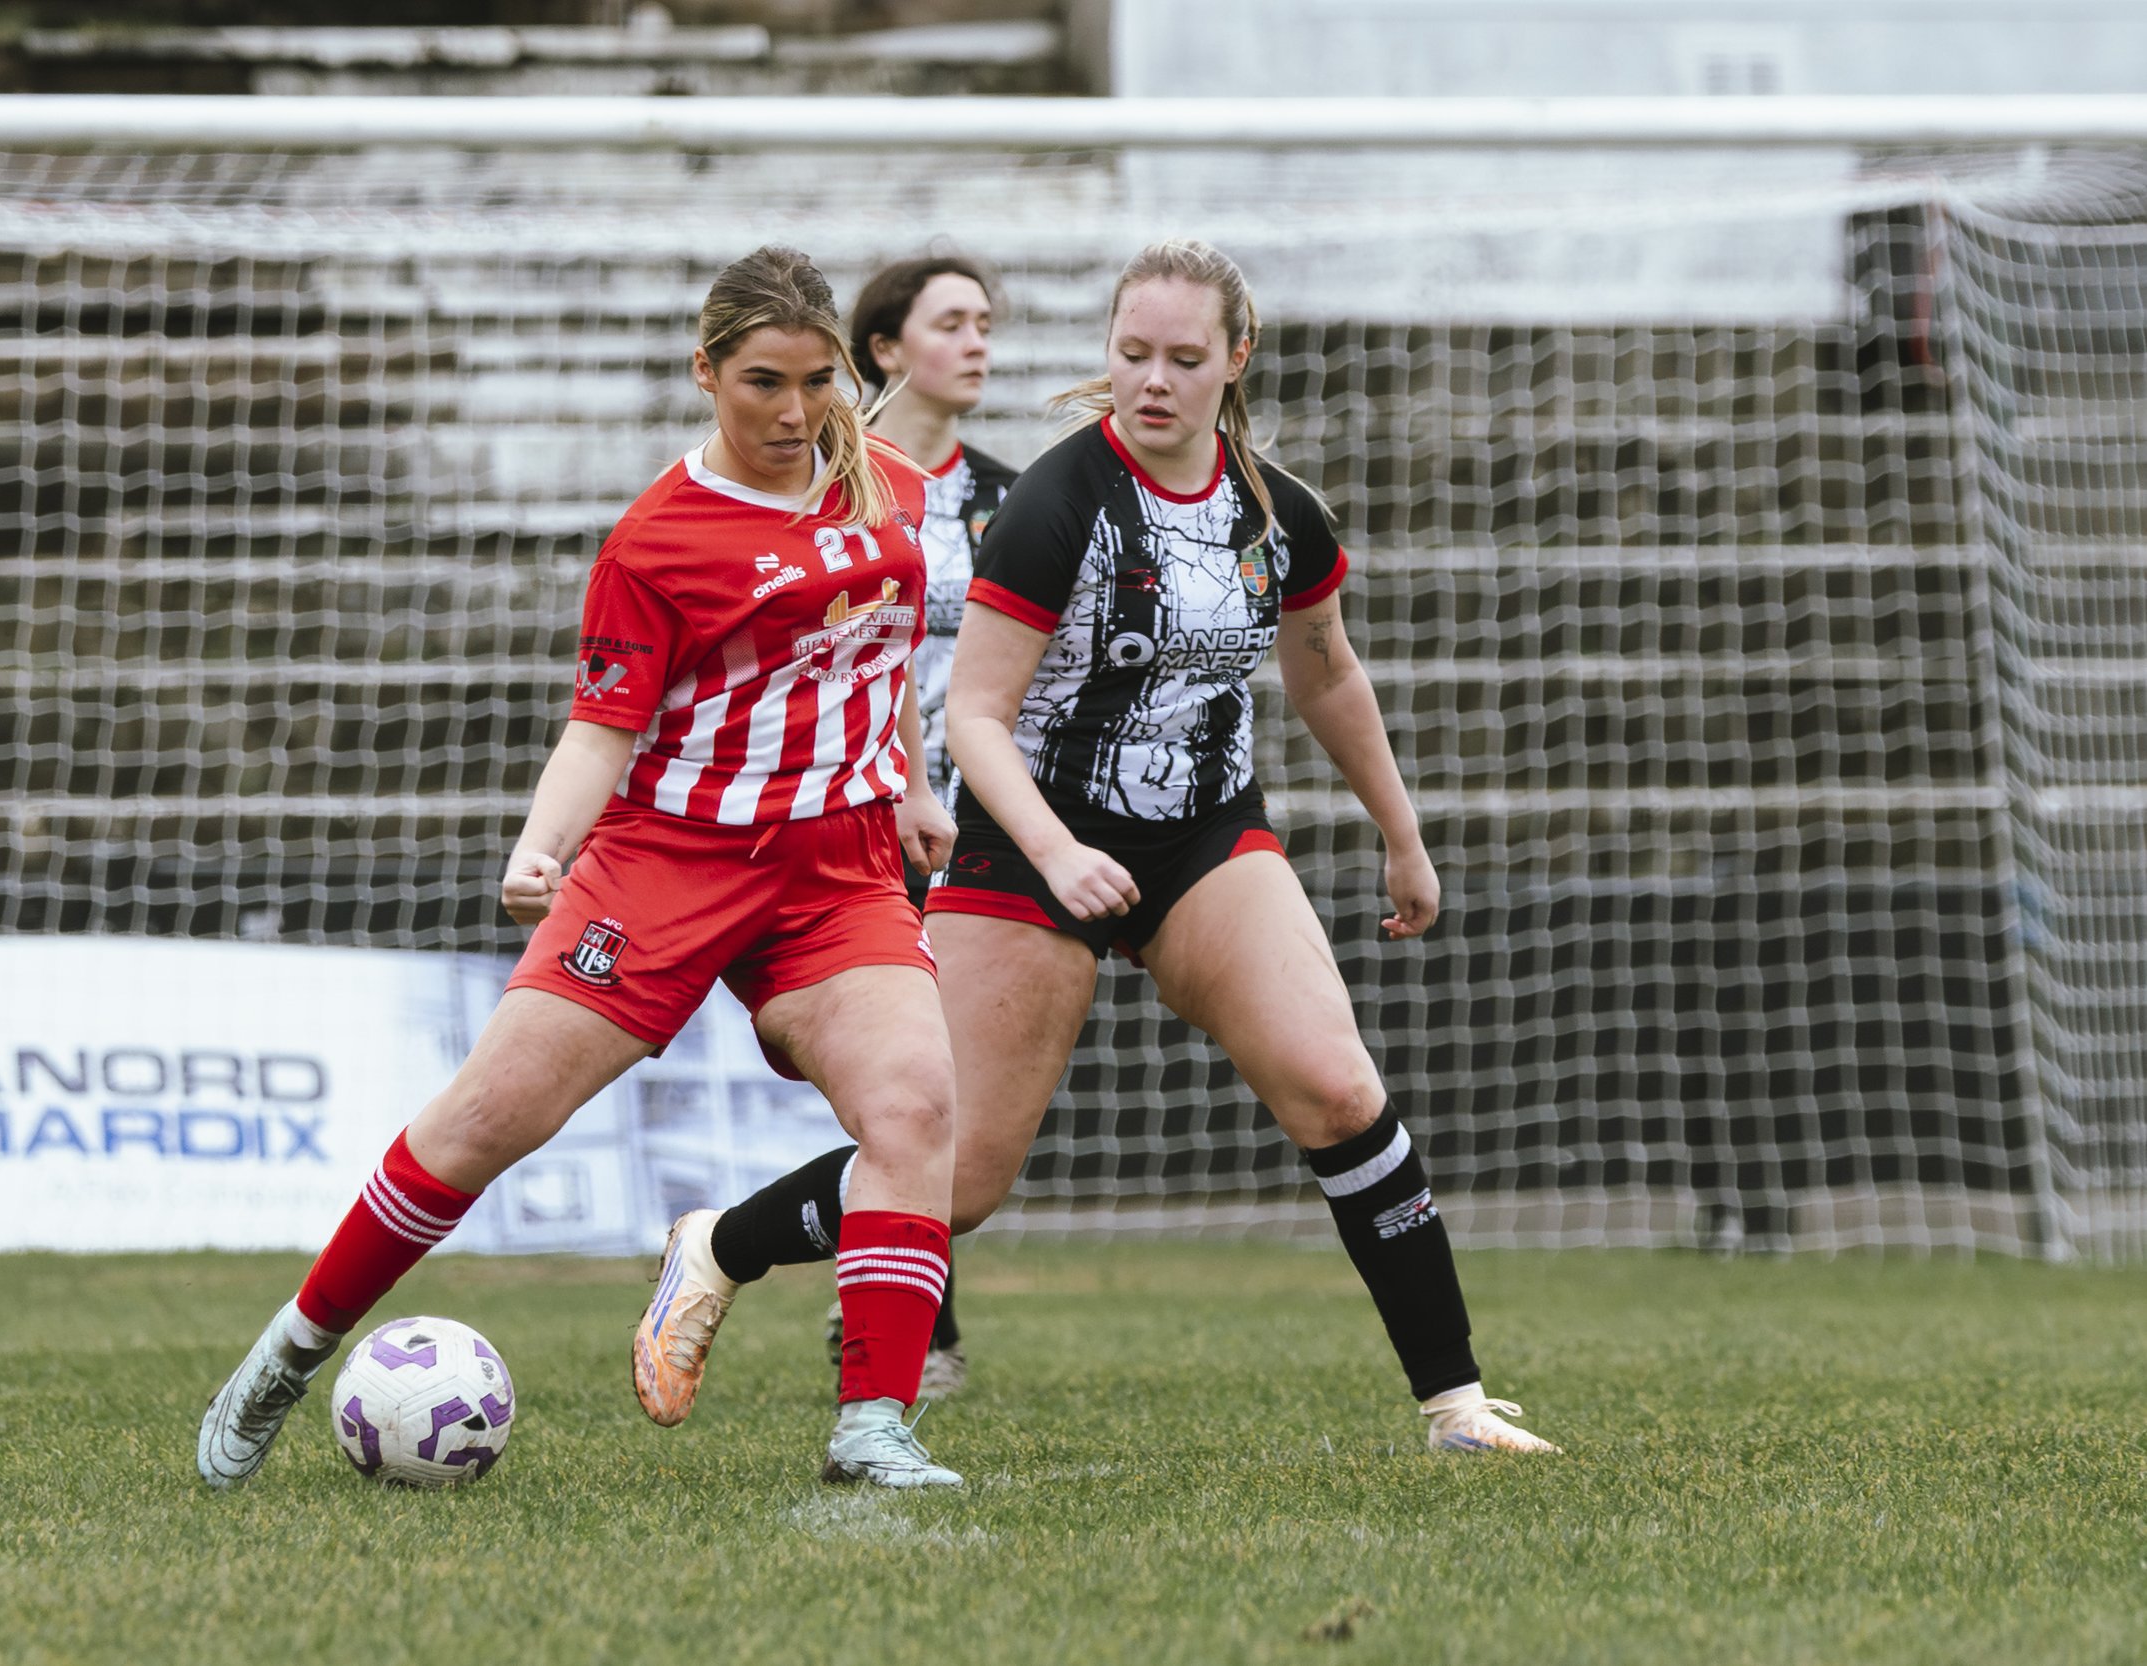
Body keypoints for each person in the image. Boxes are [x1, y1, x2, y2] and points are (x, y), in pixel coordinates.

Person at [641, 238, 1561, 1462]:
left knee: (1339, 1089)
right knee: (955, 1178)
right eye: (1132, 354)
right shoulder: (1055, 503)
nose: (1154, 380)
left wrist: (1403, 836)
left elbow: (1325, 666)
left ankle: (1454, 1406)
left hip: (1203, 837)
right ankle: (720, 1247)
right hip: (1030, 845)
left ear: (1235, 360)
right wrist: (1057, 852)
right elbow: (972, 716)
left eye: (1185, 358)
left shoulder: (1277, 511)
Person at [197, 245, 969, 1492]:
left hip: (837, 867)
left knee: (917, 1109)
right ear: (705, 370)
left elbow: (877, 659)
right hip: (666, 864)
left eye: (818, 382)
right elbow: (602, 726)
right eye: (762, 381)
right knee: (485, 1122)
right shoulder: (655, 543)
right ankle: (286, 1357)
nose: (793, 412)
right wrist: (543, 845)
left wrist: (918, 788)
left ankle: (871, 1426)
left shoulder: (889, 487)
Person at [670, 255, 1018, 1407]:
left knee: (940, 1107)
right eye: (950, 322)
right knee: (916, 1098)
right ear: (879, 350)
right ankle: (912, 1339)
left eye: (986, 323)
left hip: (977, 806)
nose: (977, 342)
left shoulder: (1009, 495)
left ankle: (769, 1260)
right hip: (839, 807)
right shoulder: (813, 473)